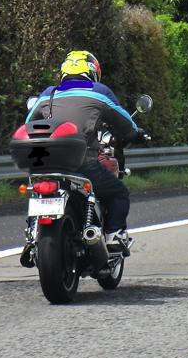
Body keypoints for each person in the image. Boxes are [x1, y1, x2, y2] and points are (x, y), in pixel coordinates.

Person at [26, 50, 146, 253]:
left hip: (47, 163)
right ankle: (113, 235)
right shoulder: (99, 91)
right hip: (82, 163)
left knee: (38, 193)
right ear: (92, 71)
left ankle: (31, 235)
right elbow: (124, 121)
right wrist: (136, 133)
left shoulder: (49, 93)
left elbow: (29, 123)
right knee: (119, 194)